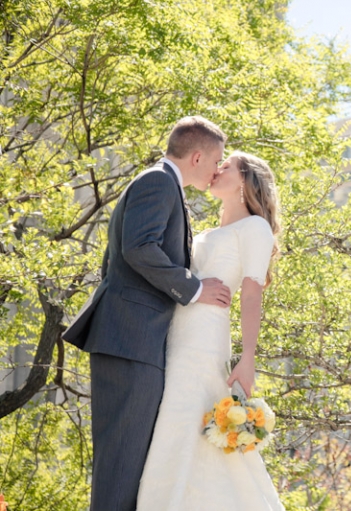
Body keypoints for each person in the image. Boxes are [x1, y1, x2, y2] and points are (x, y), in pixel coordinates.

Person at [62, 116, 233, 510]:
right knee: (121, 461)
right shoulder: (158, 181)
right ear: (196, 157)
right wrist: (194, 288)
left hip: (134, 339)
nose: (217, 169)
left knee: (129, 461)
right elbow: (138, 247)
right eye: (215, 160)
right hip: (131, 339)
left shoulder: (163, 184)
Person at [136, 151, 284, 510]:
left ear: (245, 180)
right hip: (175, 333)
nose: (217, 170)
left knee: (186, 414)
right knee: (176, 421)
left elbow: (252, 294)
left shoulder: (255, 227)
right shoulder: (205, 232)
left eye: (226, 166)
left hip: (205, 338)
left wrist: (247, 358)